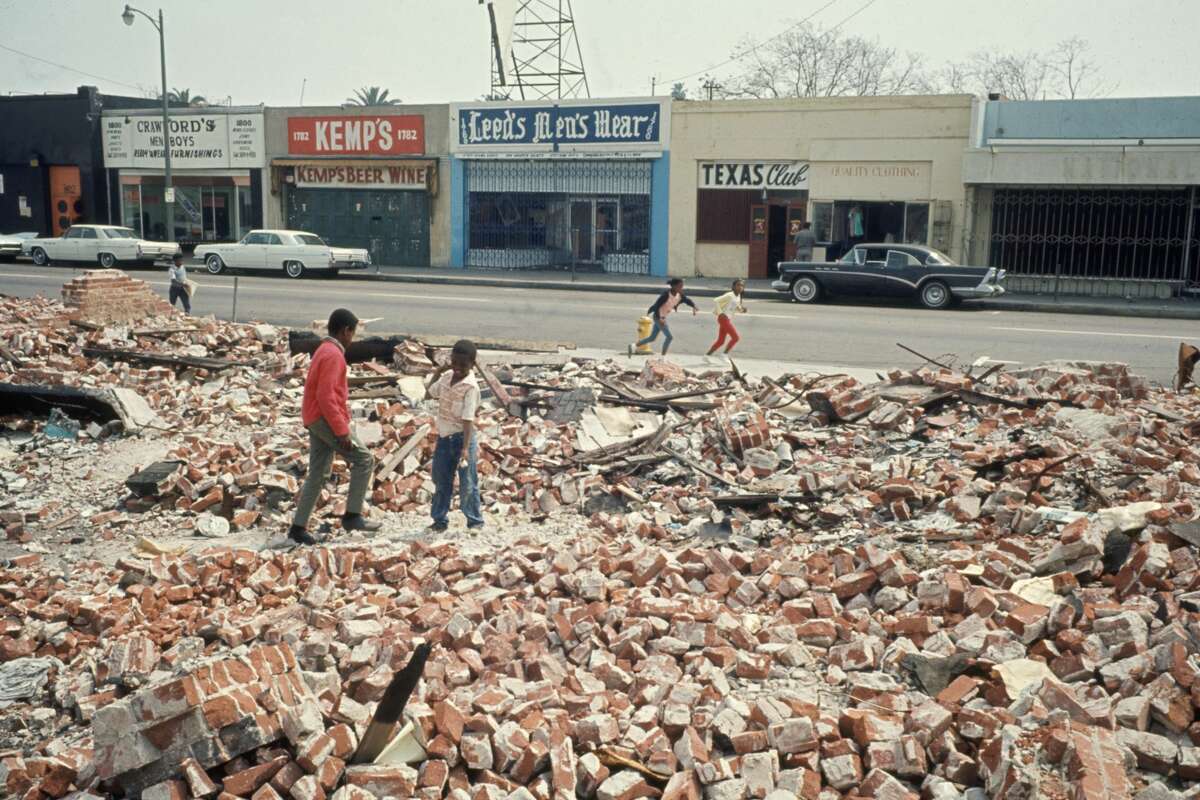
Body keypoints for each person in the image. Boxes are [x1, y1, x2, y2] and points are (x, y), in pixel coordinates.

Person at [288, 308, 381, 545]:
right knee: (364, 460)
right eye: (353, 333)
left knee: (318, 473)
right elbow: (326, 396)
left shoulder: (324, 349)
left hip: (315, 417)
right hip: (324, 418)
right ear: (345, 331)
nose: (353, 339)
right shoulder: (333, 355)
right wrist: (341, 431)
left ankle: (298, 528)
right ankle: (352, 516)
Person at [425, 339, 485, 533]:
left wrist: (466, 449)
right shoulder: (446, 378)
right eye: (455, 363)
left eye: (463, 365)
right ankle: (439, 520)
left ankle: (475, 521)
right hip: (444, 438)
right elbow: (428, 394)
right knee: (441, 481)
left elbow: (468, 421)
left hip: (462, 439)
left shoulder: (471, 388)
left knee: (468, 483)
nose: (458, 368)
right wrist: (437, 372)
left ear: (472, 365)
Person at [629, 278, 697, 356]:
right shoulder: (665, 295)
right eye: (680, 286)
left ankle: (633, 346)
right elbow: (657, 306)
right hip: (658, 317)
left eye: (682, 286)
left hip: (663, 317)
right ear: (674, 286)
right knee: (669, 337)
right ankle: (662, 358)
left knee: (652, 338)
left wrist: (694, 306)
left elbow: (686, 300)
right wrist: (660, 318)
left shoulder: (679, 295)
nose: (681, 288)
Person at [707, 279, 748, 356]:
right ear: (733, 287)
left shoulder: (738, 296)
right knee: (736, 338)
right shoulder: (729, 295)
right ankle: (724, 355)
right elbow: (716, 300)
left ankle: (707, 356)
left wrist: (742, 310)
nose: (740, 287)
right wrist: (720, 313)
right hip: (723, 319)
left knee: (721, 341)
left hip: (727, 319)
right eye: (738, 285)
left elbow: (736, 307)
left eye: (742, 286)